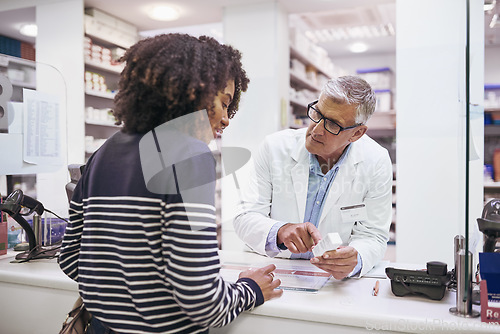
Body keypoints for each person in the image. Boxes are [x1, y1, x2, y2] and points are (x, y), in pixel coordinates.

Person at [59, 33, 282, 334]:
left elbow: (71, 258)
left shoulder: (103, 153)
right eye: (224, 103)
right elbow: (203, 303)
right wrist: (250, 289)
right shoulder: (189, 155)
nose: (227, 119)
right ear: (192, 90)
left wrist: (123, 294)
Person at [233, 76, 393, 280]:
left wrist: (357, 258)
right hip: (272, 269)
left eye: (333, 125)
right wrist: (280, 230)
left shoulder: (376, 161)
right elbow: (245, 216)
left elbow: (374, 235)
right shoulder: (275, 147)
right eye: (317, 113)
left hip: (330, 280)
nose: (316, 130)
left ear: (357, 133)